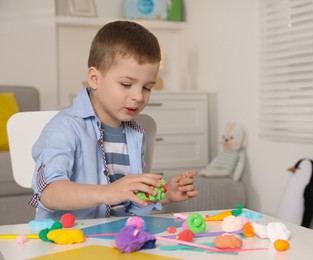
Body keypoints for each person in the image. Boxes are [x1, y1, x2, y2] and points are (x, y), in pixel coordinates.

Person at [30, 21, 198, 220]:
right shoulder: (65, 128)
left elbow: (127, 198)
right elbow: (49, 192)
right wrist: (108, 192)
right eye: (126, 84)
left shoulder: (135, 133)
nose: (138, 96)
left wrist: (164, 194)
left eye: (147, 87)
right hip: (70, 238)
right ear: (94, 78)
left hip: (117, 235)